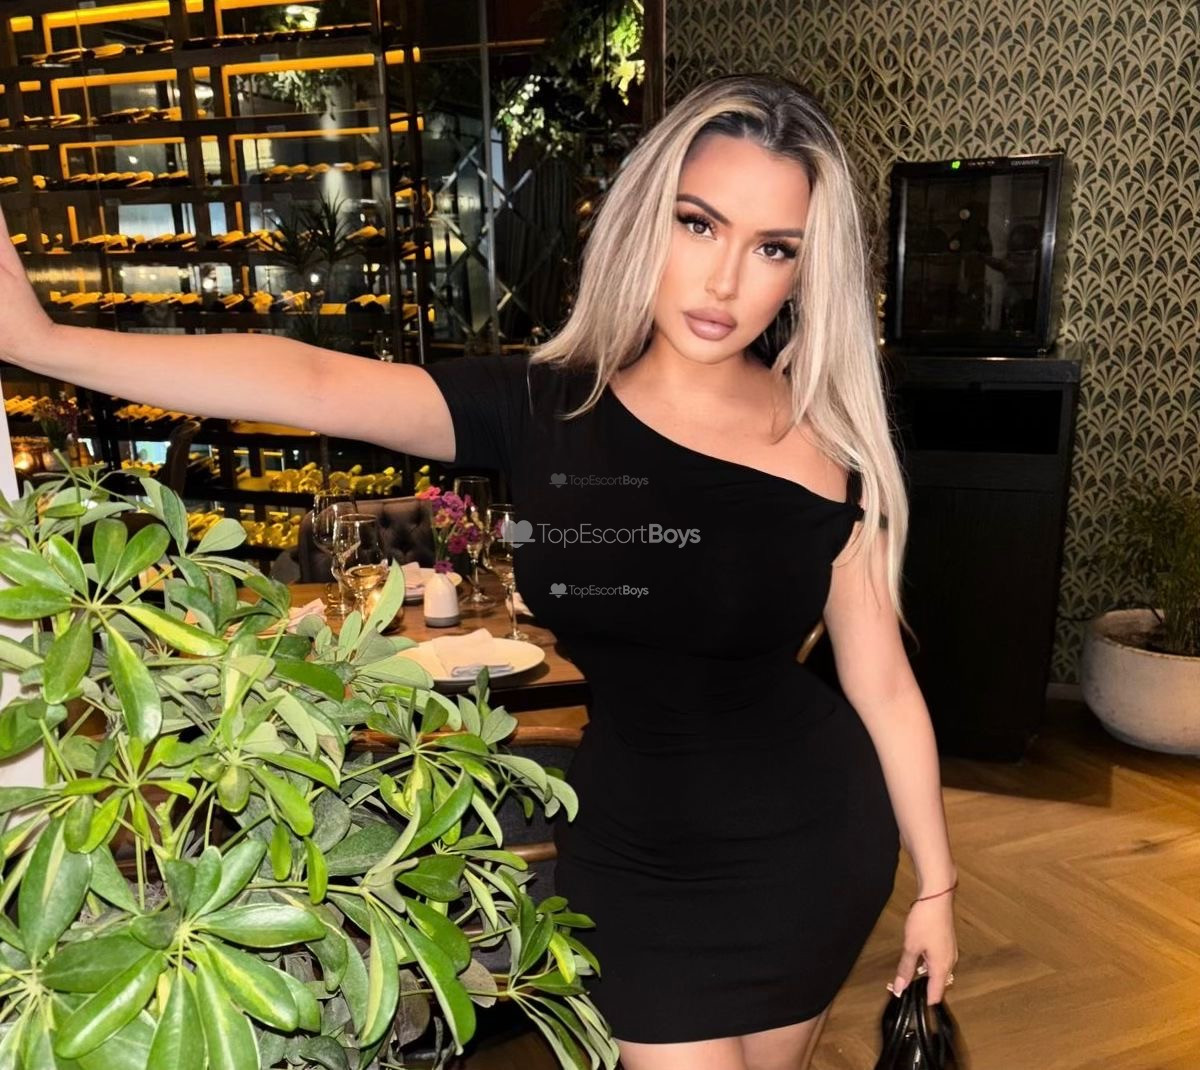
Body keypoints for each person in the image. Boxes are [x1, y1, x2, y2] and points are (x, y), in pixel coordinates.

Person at [0, 72, 958, 1070]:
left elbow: (883, 682)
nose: (725, 282)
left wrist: (936, 886)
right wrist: (42, 342)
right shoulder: (543, 406)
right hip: (636, 851)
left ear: (806, 272)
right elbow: (310, 378)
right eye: (699, 224)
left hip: (812, 843)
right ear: (646, 220)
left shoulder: (830, 441)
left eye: (773, 249)